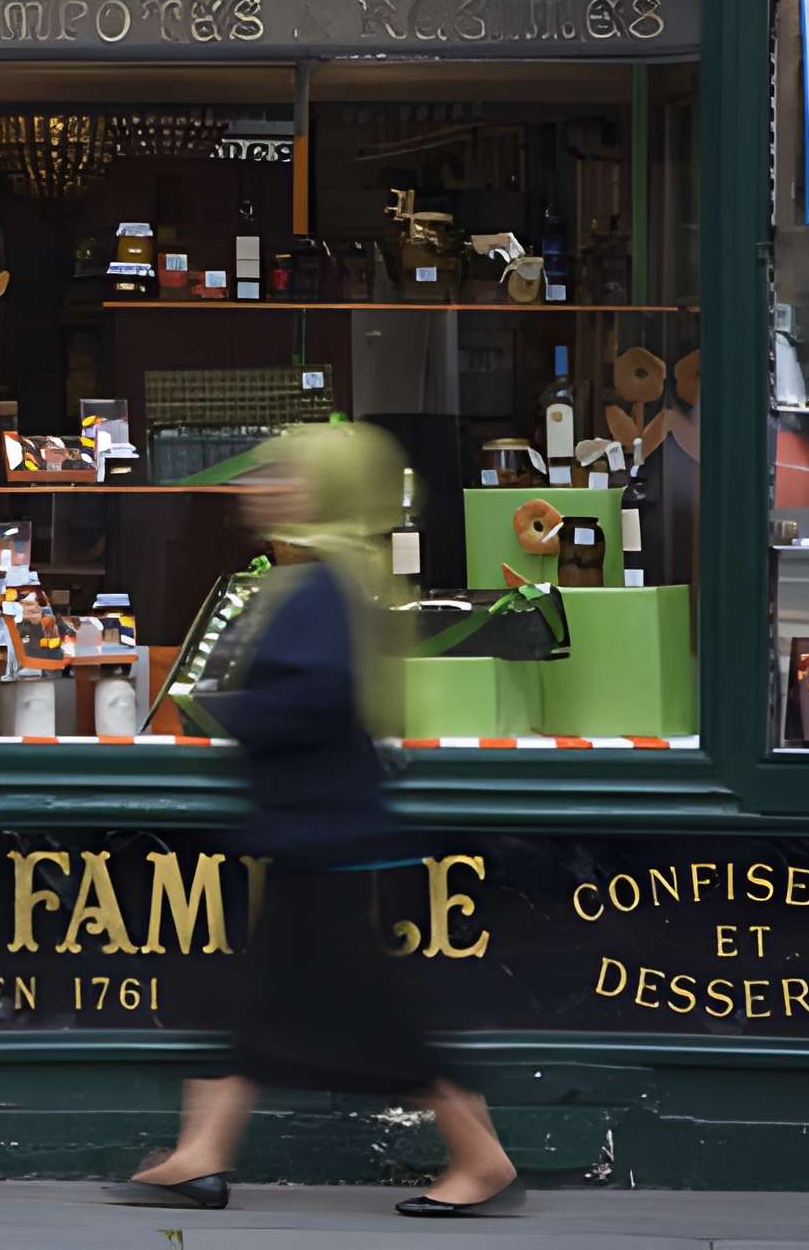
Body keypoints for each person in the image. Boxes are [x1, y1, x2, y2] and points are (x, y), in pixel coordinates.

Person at [115, 420, 521, 1218]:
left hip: (327, 837)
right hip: (319, 831)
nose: (261, 489)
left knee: (372, 1019)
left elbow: (316, 699)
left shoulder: (323, 589)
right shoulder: (324, 580)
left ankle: (481, 1157)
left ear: (328, 491)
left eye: (285, 477)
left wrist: (228, 710)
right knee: (260, 1001)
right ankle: (200, 1154)